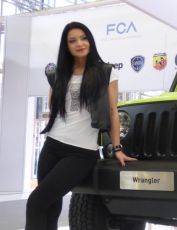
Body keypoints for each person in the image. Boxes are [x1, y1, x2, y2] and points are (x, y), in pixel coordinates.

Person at [25, 21, 136, 230]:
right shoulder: (60, 74)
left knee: (35, 202)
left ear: (90, 41)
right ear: (66, 46)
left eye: (84, 38)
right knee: (49, 208)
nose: (79, 43)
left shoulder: (106, 72)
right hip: (52, 146)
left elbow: (113, 112)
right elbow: (55, 109)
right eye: (72, 40)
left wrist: (117, 148)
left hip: (81, 152)